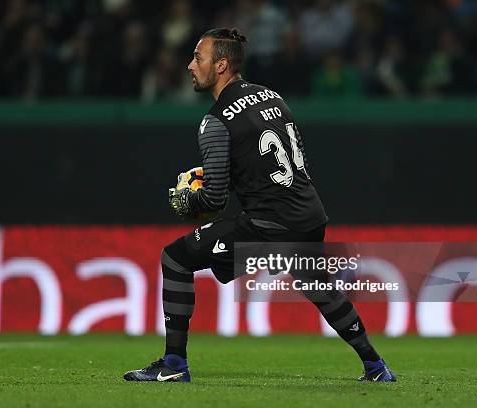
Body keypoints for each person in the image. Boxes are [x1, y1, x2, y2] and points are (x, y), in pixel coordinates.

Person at [123, 28, 396, 383]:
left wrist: (188, 201)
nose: (190, 66)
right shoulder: (271, 96)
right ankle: (376, 367)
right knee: (317, 285)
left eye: (198, 58)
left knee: (176, 258)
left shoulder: (215, 121)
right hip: (307, 213)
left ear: (221, 65)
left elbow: (214, 200)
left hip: (271, 222)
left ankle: (174, 365)